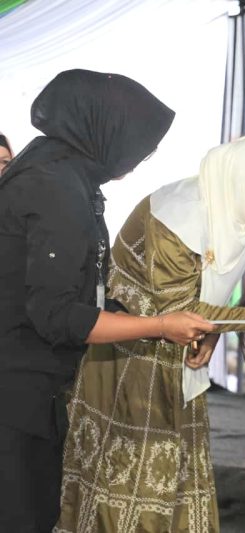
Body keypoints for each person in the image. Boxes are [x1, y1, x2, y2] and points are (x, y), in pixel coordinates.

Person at [0, 69, 212, 533]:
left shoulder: (59, 172)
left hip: (30, 390)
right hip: (15, 397)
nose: (140, 156)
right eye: (138, 142)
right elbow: (58, 315)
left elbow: (84, 295)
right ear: (103, 127)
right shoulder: (54, 187)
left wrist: (160, 324)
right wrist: (159, 327)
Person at [55, 134, 245, 533]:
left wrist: (213, 335)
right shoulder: (178, 219)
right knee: (129, 471)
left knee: (173, 468)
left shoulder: (232, 211)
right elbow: (181, 308)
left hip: (175, 348)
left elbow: (207, 294)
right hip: (130, 355)